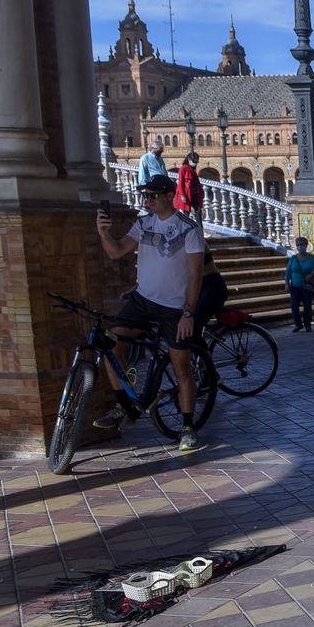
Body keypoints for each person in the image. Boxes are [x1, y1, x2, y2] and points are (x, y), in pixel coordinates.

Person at [92, 173, 206, 453]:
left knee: (181, 367)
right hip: (143, 300)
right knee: (109, 344)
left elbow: (196, 276)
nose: (147, 200)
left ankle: (188, 426)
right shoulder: (142, 224)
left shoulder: (188, 227)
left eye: (153, 195)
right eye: (145, 195)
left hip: (174, 307)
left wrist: (188, 314)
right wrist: (103, 233)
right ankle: (124, 406)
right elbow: (117, 252)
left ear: (169, 196)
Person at [283, 237, 314, 333]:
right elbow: (288, 272)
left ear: (306, 246)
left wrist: (311, 274)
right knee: (294, 305)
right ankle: (298, 324)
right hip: (295, 286)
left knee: (307, 306)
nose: (300, 247)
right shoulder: (293, 258)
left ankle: (308, 324)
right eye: (298, 245)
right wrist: (286, 283)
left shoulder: (312, 258)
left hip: (307, 286)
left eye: (302, 245)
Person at [173, 152, 203, 222]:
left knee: (198, 212)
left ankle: (199, 230)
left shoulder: (193, 169)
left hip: (195, 193)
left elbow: (197, 183)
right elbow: (180, 183)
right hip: (187, 194)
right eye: (194, 161)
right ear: (189, 160)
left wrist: (201, 192)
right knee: (186, 213)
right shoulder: (183, 169)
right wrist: (182, 195)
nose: (195, 163)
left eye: (196, 161)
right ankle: (186, 229)